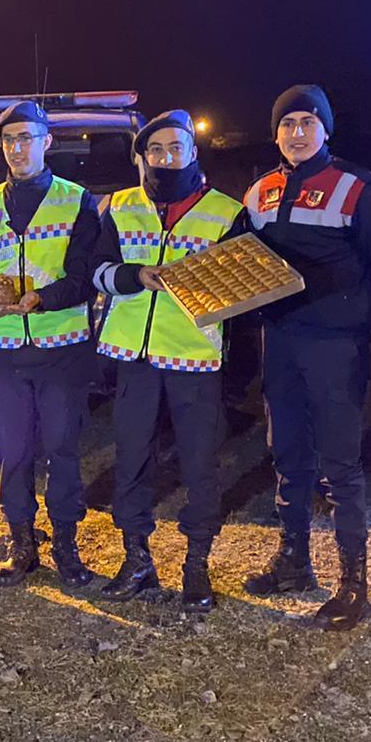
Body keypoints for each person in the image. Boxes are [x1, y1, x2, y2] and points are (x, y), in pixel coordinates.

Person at [240, 86, 371, 629]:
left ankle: (353, 581)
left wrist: (352, 313)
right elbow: (239, 256)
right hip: (281, 340)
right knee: (286, 451)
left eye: (307, 122)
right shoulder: (259, 191)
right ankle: (294, 561)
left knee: (340, 460)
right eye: (287, 124)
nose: (297, 133)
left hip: (335, 345)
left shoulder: (361, 188)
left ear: (326, 129)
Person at [92, 109, 245, 610]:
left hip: (194, 357)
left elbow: (244, 289)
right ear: (142, 158)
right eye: (155, 150)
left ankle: (196, 564)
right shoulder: (118, 206)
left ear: (193, 153)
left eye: (175, 148)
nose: (165, 158)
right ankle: (136, 558)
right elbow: (97, 270)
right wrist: (134, 275)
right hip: (133, 356)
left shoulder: (226, 211)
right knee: (131, 460)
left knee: (200, 464)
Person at [0, 99, 101, 588]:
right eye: (9, 140)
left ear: (47, 142)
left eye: (27, 138)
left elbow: (85, 276)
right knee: (12, 452)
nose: (18, 148)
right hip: (3, 353)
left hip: (60, 350)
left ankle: (66, 544)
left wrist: (42, 299)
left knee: (61, 448)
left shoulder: (76, 200)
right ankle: (22, 543)